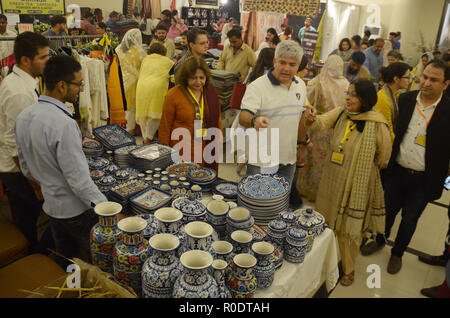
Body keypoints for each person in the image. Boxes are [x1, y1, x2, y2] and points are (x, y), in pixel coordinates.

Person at [14, 56, 108, 269]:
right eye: (78, 84)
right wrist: (107, 209)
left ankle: (68, 286)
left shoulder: (24, 117)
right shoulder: (63, 124)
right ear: (62, 85)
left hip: (52, 207)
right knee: (96, 263)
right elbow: (79, 182)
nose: (80, 90)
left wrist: (47, 184)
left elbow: (26, 167)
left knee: (66, 258)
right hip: (75, 211)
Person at [360, 59, 450, 275]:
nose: (426, 83)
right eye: (425, 77)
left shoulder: (448, 110)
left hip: (424, 179)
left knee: (410, 219)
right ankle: (381, 239)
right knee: (387, 212)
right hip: (397, 171)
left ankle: (398, 253)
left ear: (445, 84)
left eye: (434, 80)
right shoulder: (406, 99)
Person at [307, 79, 391, 286]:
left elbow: (384, 156)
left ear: (365, 99)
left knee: (349, 229)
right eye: (348, 93)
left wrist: (361, 170)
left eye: (353, 95)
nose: (348, 98)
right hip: (333, 180)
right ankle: (319, 261)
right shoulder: (341, 113)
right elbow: (319, 123)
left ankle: (349, 268)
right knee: (325, 223)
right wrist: (310, 117)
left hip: (357, 185)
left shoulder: (377, 122)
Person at [0, 32, 51, 255]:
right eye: (43, 57)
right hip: (16, 169)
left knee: (28, 217)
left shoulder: (24, 82)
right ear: (25, 60)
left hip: (23, 167)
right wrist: (35, 184)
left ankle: (31, 254)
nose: (48, 61)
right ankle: (31, 260)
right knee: (30, 218)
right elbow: (14, 143)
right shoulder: (18, 91)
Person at [238, 40, 311, 190]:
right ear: (274, 61)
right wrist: (254, 121)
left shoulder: (301, 86)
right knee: (256, 202)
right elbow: (243, 117)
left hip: (288, 160)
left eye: (292, 65)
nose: (286, 68)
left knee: (280, 203)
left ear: (299, 66)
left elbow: (301, 117)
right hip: (260, 160)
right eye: (282, 62)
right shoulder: (257, 86)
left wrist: (302, 145)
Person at [297, 55, 349, 202]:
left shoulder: (317, 82)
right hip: (336, 128)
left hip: (317, 125)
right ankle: (322, 191)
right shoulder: (346, 84)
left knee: (313, 159)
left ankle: (307, 189)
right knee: (327, 161)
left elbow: (305, 103)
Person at [159, 56, 222, 172]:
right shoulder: (173, 95)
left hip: (204, 147)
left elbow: (217, 119)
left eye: (201, 78)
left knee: (201, 180)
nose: (198, 82)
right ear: (185, 77)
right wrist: (164, 156)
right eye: (193, 78)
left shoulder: (210, 93)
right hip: (180, 149)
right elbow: (165, 127)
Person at [136, 42, 174, 143]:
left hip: (142, 86)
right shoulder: (169, 62)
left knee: (144, 114)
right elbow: (173, 78)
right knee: (155, 114)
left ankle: (145, 139)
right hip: (158, 87)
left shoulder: (145, 60)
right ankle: (148, 138)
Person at [116, 29, 147, 135]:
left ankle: (121, 128)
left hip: (120, 80)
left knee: (122, 104)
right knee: (132, 107)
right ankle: (130, 129)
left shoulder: (118, 49)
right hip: (135, 82)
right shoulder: (140, 52)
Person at [373, 62, 411, 142]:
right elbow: (386, 131)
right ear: (396, 79)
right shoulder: (383, 98)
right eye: (407, 77)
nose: (410, 81)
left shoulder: (395, 94)